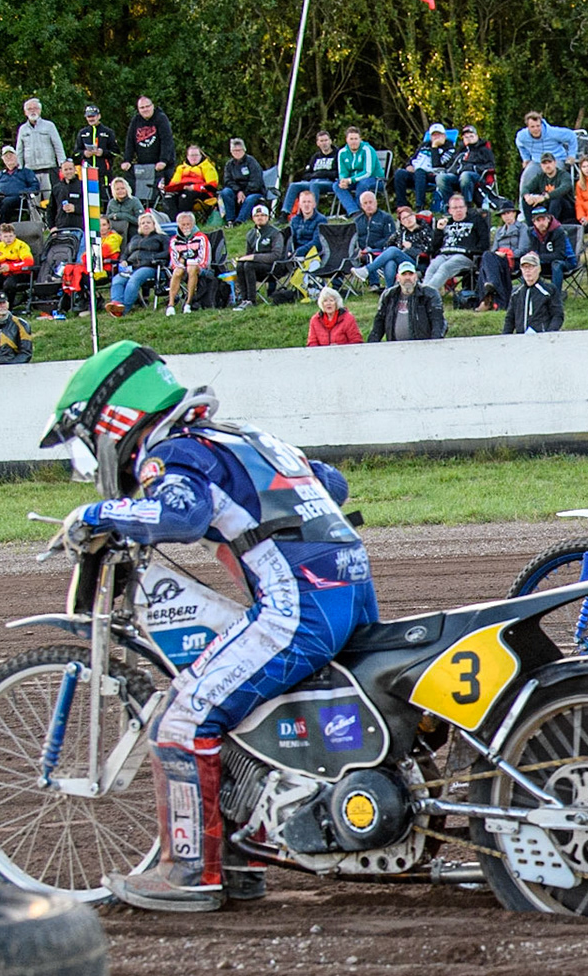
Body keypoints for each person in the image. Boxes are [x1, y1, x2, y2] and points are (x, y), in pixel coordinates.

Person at [40, 342, 372, 910]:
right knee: (249, 713)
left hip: (299, 607)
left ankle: (190, 873)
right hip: (351, 588)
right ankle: (242, 859)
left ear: (113, 422)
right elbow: (331, 483)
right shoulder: (238, 437)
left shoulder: (172, 453)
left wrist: (94, 515)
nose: (93, 463)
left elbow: (182, 514)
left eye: (86, 444)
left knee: (182, 716)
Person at [424, 191, 490, 298]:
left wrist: (472, 252)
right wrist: (439, 230)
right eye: (455, 208)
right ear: (449, 210)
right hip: (444, 254)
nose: (458, 210)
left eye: (461, 207)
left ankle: (426, 296)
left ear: (465, 208)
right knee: (432, 267)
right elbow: (434, 247)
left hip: (464, 256)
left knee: (445, 268)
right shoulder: (446, 222)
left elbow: (484, 243)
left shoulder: (476, 220)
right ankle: (422, 294)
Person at [363, 203, 437, 290]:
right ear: (401, 222)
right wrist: (400, 247)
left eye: (409, 216)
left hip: (418, 262)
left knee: (393, 251)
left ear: (414, 216)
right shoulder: (401, 232)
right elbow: (387, 245)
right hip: (401, 260)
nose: (408, 220)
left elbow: (430, 249)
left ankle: (367, 270)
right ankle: (390, 291)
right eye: (404, 218)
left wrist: (411, 247)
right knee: (390, 262)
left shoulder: (425, 230)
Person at [105, 212, 167, 314]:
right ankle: (116, 304)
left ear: (154, 224)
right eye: (142, 223)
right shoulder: (135, 238)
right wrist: (123, 260)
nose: (145, 225)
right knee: (117, 279)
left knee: (134, 280)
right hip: (132, 267)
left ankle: (124, 309)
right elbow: (125, 253)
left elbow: (167, 252)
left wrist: (152, 258)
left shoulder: (161, 237)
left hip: (151, 267)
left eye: (148, 222)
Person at [369, 261, 446, 341]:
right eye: (404, 274)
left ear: (416, 276)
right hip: (395, 348)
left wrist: (435, 344)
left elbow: (438, 322)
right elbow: (378, 326)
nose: (407, 278)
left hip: (422, 348)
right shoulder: (388, 296)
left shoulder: (429, 294)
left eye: (410, 274)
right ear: (398, 277)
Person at [478, 203, 532, 310]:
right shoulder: (499, 231)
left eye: (508, 213)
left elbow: (523, 249)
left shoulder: (522, 228)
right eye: (503, 214)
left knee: (486, 262)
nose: (506, 216)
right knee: (486, 256)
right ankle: (492, 289)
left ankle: (487, 299)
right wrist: (498, 255)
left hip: (514, 260)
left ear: (514, 214)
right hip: (498, 260)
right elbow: (494, 250)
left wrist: (507, 254)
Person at [233, 204, 289, 307]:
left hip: (274, 267)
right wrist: (245, 258)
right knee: (241, 265)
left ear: (267, 217)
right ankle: (243, 299)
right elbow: (248, 254)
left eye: (263, 215)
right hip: (256, 267)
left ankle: (251, 300)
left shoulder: (275, 233)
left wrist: (254, 257)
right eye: (257, 215)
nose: (260, 218)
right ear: (253, 218)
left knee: (248, 265)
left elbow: (276, 255)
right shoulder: (251, 234)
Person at [121, 96, 174, 203]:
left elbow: (167, 141)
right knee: (141, 196)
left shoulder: (161, 118)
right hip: (144, 166)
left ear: (152, 106)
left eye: (147, 106)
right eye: (142, 108)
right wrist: (127, 160)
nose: (145, 109)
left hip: (162, 165)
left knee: (163, 197)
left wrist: (163, 160)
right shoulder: (136, 121)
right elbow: (130, 142)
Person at [392, 124, 455, 211]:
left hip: (434, 174)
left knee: (420, 172)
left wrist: (435, 147)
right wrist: (408, 166)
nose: (436, 137)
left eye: (438, 134)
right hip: (417, 173)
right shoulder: (424, 145)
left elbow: (437, 165)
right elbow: (412, 158)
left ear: (444, 136)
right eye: (433, 135)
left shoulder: (449, 148)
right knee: (400, 173)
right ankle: (402, 206)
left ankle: (419, 207)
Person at [16, 98, 67, 199]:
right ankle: (36, 216)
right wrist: (19, 169)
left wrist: (62, 164)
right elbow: (19, 150)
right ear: (25, 112)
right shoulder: (22, 129)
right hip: (30, 172)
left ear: (40, 110)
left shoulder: (49, 126)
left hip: (48, 169)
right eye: (29, 109)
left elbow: (58, 146)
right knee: (33, 203)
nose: (32, 111)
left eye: (35, 108)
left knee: (51, 199)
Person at [162, 211, 211, 315]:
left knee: (191, 268)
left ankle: (188, 303)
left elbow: (203, 260)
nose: (186, 227)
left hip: (200, 268)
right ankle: (170, 305)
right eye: (183, 224)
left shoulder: (201, 237)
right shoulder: (174, 240)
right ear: (178, 225)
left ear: (193, 224)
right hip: (183, 268)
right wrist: (181, 265)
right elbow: (174, 260)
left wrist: (187, 262)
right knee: (177, 271)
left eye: (188, 224)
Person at [504, 252, 564, 334]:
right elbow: (510, 319)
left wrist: (549, 334)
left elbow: (558, 315)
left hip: (543, 339)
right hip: (521, 340)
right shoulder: (516, 293)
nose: (527, 270)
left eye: (531, 267)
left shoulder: (549, 290)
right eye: (524, 267)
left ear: (539, 269)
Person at [282, 131, 341, 214]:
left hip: (329, 182)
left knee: (314, 185)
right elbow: (305, 174)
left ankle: (312, 214)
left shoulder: (338, 155)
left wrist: (323, 174)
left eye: (326, 140)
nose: (324, 143)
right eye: (321, 141)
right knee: (293, 185)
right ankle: (285, 213)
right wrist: (315, 175)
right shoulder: (315, 157)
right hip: (312, 181)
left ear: (330, 141)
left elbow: (338, 173)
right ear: (318, 143)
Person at [0, 149, 40, 224]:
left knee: (7, 202)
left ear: (16, 157)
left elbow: (35, 187)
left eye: (11, 155)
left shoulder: (26, 172)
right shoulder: (1, 174)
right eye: (6, 156)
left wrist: (23, 192)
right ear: (3, 159)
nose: (9, 158)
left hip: (18, 198)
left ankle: (2, 227)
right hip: (0, 197)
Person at [159, 145, 219, 220]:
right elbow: (173, 184)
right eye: (191, 155)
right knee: (168, 196)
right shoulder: (181, 168)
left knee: (185, 196)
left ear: (201, 156)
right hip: (182, 189)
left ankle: (183, 221)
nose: (194, 157)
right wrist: (167, 188)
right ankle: (174, 222)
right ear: (187, 156)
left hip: (202, 192)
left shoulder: (208, 167)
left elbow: (212, 187)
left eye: (196, 155)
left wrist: (193, 187)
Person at [516, 112, 577, 182]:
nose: (536, 129)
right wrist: (526, 159)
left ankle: (554, 192)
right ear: (527, 127)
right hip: (537, 161)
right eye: (532, 127)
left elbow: (572, 136)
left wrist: (571, 155)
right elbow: (520, 145)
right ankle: (524, 193)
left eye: (538, 126)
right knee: (526, 177)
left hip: (556, 159)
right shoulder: (522, 136)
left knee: (553, 177)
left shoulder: (552, 132)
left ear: (541, 124)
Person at [334, 127, 383, 214]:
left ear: (360, 139)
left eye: (356, 139)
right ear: (347, 140)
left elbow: (368, 172)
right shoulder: (342, 152)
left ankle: (361, 211)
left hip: (374, 179)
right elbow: (342, 172)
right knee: (337, 185)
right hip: (353, 180)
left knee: (362, 184)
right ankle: (354, 212)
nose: (354, 141)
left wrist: (350, 180)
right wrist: (343, 180)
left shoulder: (367, 149)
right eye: (351, 139)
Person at [218, 139, 268, 225]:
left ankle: (240, 221)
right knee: (225, 192)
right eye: (234, 150)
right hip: (236, 191)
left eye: (239, 150)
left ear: (244, 150)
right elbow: (227, 180)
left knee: (249, 199)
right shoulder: (229, 164)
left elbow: (256, 181)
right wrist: (238, 191)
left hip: (254, 191)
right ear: (231, 151)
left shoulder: (251, 162)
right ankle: (230, 220)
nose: (237, 152)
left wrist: (244, 192)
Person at [0, 225, 35, 306]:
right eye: (5, 236)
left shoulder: (21, 246)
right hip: (3, 274)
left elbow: (29, 262)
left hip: (20, 274)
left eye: (11, 236)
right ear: (0, 237)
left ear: (14, 236)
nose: (8, 239)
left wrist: (10, 267)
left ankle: (8, 306)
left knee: (8, 283)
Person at [529, 207, 577, 294]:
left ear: (548, 219)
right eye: (538, 220)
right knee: (526, 263)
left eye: (543, 219)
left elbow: (560, 255)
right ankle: (533, 293)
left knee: (556, 264)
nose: (541, 223)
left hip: (566, 261)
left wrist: (539, 257)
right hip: (545, 263)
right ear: (534, 222)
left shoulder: (558, 231)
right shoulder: (531, 233)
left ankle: (555, 295)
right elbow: (532, 251)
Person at [520, 151, 576, 223]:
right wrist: (527, 197)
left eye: (549, 162)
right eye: (544, 163)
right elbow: (526, 188)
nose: (547, 166)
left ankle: (551, 225)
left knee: (556, 199)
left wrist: (545, 197)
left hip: (566, 209)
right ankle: (531, 228)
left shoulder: (563, 175)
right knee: (526, 200)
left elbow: (564, 188)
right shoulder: (540, 177)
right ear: (541, 165)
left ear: (555, 163)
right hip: (547, 208)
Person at [75, 104, 119, 185]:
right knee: (90, 196)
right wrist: (84, 153)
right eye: (88, 117)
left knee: (105, 197)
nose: (91, 119)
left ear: (99, 116)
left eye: (93, 116)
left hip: (104, 173)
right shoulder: (82, 133)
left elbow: (116, 152)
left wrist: (102, 152)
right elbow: (75, 153)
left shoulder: (108, 132)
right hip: (88, 173)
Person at [453, 125, 496, 205]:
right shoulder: (460, 150)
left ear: (477, 136)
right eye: (466, 137)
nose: (469, 138)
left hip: (477, 176)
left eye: (471, 136)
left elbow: (491, 165)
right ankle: (448, 206)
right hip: (458, 175)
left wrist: (474, 168)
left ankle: (467, 205)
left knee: (465, 175)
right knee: (442, 178)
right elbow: (452, 164)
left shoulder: (484, 149)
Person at [349, 189, 396, 262]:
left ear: (376, 202)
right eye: (365, 203)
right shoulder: (357, 220)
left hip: (379, 250)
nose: (368, 206)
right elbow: (353, 239)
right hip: (360, 252)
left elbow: (390, 237)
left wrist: (371, 247)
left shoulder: (386, 218)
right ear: (361, 206)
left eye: (370, 202)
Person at [286, 190, 330, 262]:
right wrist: (289, 251)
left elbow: (317, 242)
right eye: (304, 202)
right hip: (295, 255)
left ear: (314, 204)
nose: (306, 204)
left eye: (309, 202)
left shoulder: (321, 220)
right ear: (299, 204)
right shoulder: (294, 220)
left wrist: (298, 252)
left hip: (314, 255)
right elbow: (291, 239)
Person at [46, 159, 86, 230]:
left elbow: (91, 207)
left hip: (80, 228)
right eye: (66, 169)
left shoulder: (84, 185)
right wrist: (51, 227)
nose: (68, 172)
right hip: (61, 228)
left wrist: (75, 208)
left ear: (75, 169)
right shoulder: (57, 188)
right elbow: (51, 209)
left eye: (70, 169)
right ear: (61, 171)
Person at [102, 177, 142, 243]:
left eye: (123, 188)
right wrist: (114, 215)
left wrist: (124, 216)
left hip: (132, 232)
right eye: (117, 189)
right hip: (114, 232)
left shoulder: (134, 201)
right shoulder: (111, 202)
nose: (120, 191)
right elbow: (107, 218)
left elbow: (140, 221)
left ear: (127, 189)